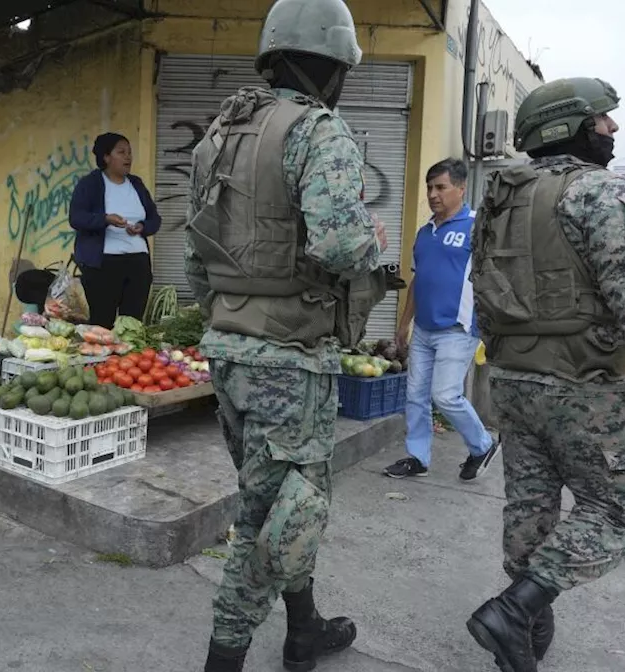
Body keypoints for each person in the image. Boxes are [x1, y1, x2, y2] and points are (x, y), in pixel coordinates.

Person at [466, 77, 625, 672]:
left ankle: (520, 643)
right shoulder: (598, 193)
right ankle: (517, 611)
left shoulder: (498, 200)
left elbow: (483, 289)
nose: (613, 129)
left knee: (530, 507)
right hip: (584, 384)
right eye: (603, 120)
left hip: (514, 380)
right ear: (568, 126)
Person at [184, 1, 388, 670]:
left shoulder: (221, 133)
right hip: (290, 360)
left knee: (277, 503)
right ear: (327, 67)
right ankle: (226, 657)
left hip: (229, 349)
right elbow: (337, 243)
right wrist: (370, 244)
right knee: (274, 522)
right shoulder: (317, 130)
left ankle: (304, 627)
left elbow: (195, 260)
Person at [384, 158, 501, 481]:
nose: (433, 194)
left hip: (459, 328)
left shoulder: (478, 227)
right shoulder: (425, 232)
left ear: (461, 189)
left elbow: (496, 275)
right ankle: (417, 457)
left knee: (446, 395)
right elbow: (417, 281)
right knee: (415, 396)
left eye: (441, 187)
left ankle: (482, 444)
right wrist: (404, 323)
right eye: (429, 187)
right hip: (424, 328)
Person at [68, 132, 162, 328]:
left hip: (138, 263)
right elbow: (76, 218)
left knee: (132, 324)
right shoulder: (90, 184)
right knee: (102, 324)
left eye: (129, 152)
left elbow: (155, 219)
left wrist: (142, 227)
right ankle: (103, 359)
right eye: (121, 152)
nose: (128, 157)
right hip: (103, 265)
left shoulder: (136, 184)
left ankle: (128, 358)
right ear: (106, 157)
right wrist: (105, 219)